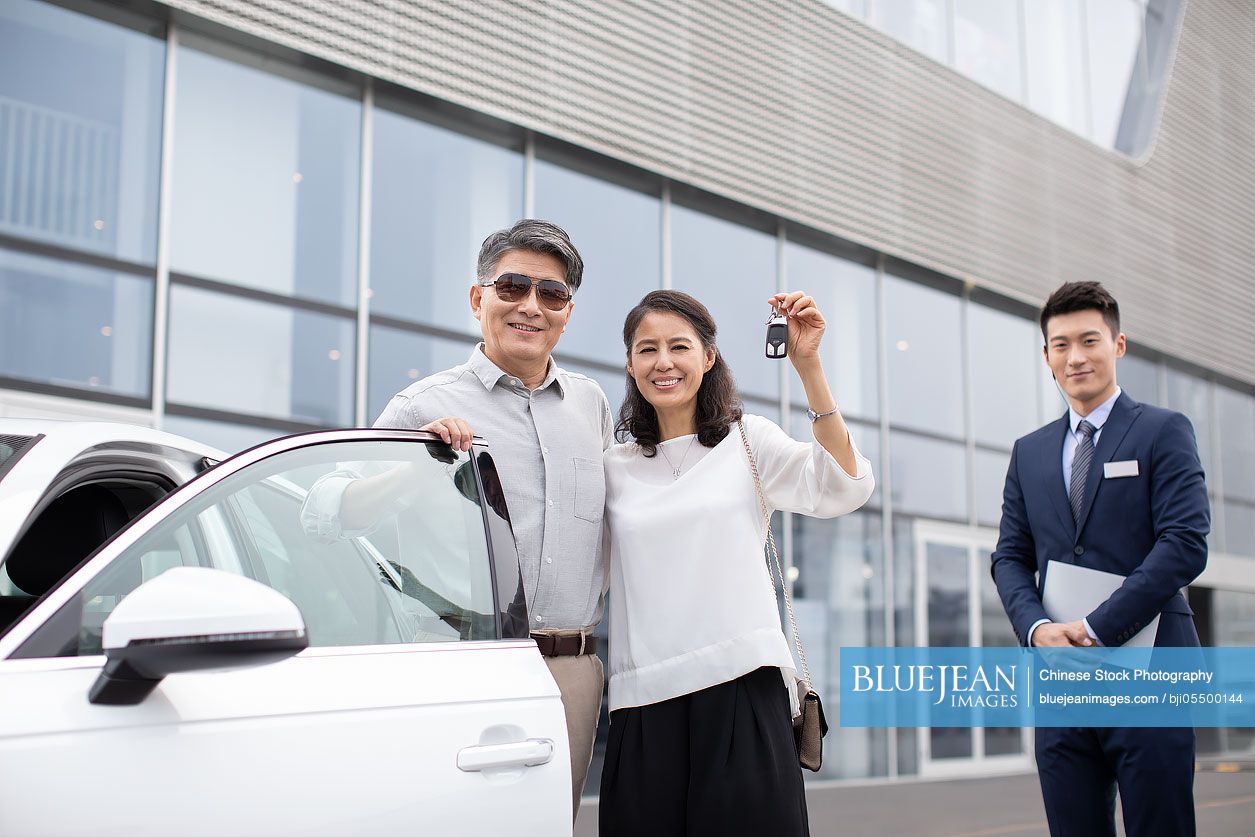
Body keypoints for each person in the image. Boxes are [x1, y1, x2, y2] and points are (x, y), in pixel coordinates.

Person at [302, 219, 612, 817]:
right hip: (458, 664)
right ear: (479, 299)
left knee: (550, 827)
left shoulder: (592, 405)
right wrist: (412, 473)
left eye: (551, 294)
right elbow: (324, 511)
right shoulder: (423, 405)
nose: (530, 306)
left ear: (567, 312)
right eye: (512, 287)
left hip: (572, 674)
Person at [598, 289, 874, 836]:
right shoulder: (613, 468)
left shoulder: (748, 442)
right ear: (630, 365)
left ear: (708, 357)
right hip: (643, 698)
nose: (664, 362)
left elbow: (845, 486)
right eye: (647, 349)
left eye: (680, 346)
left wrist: (809, 366)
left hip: (741, 690)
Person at [990, 281, 1209, 837]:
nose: (1076, 357)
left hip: (1153, 671)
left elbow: (1184, 544)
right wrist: (1037, 628)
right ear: (1046, 357)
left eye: (1089, 340)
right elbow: (1011, 557)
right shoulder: (1030, 451)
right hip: (1063, 679)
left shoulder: (1163, 431)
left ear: (1118, 344)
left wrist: (1096, 627)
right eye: (1060, 345)